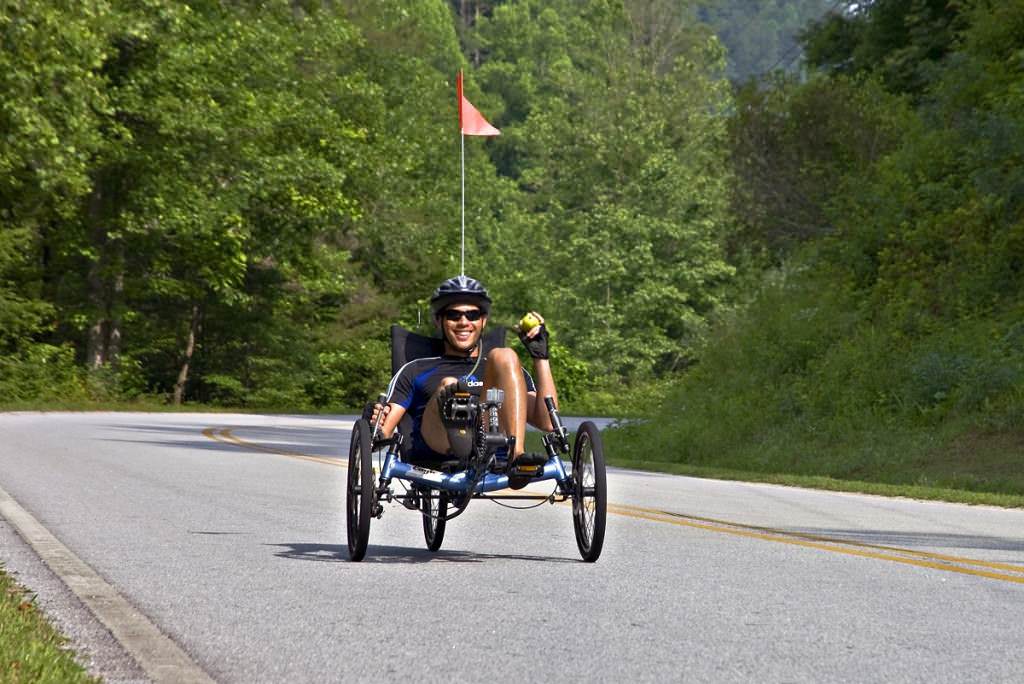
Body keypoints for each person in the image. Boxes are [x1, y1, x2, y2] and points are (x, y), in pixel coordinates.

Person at [373, 275, 557, 481]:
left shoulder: (504, 370)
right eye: (453, 315)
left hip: (488, 437)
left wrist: (541, 358)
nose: (463, 322)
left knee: (505, 354)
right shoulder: (415, 369)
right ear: (438, 320)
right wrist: (376, 424)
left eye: (472, 315)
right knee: (449, 385)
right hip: (437, 446)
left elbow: (548, 423)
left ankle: (516, 457)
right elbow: (384, 432)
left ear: (483, 321)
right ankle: (460, 442)